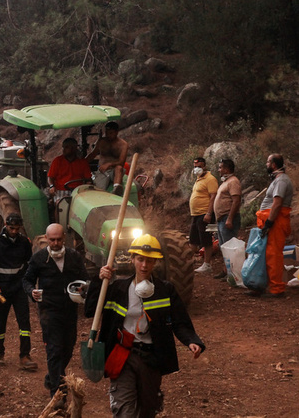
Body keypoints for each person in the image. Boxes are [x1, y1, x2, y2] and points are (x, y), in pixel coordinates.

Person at [85, 234, 205, 417]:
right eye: (140, 259)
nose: (144, 265)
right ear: (132, 259)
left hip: (151, 358)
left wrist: (191, 341)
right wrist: (98, 281)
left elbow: (180, 322)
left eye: (149, 261)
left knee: (148, 410)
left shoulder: (165, 290)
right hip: (122, 356)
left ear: (155, 262)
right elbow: (91, 309)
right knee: (125, 410)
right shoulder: (118, 289)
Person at [22, 223, 88, 403]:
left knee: (67, 348)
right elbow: (27, 280)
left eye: (59, 239)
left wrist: (83, 288)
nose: (56, 243)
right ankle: (58, 395)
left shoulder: (74, 257)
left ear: (64, 237)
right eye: (52, 240)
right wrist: (32, 292)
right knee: (54, 350)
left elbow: (84, 278)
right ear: (46, 238)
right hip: (48, 311)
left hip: (69, 310)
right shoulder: (39, 258)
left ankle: (53, 376)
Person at [0, 213, 38, 371]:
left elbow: (29, 265)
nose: (14, 231)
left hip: (18, 288)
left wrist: (27, 284)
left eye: (17, 229)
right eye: (11, 228)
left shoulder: (24, 242)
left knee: (24, 322)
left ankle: (25, 356)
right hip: (1, 288)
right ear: (5, 225)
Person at [253, 153, 294, 298]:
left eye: (267, 162)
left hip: (276, 221)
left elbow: (277, 204)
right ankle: (265, 285)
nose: (266, 165)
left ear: (274, 165)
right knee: (267, 254)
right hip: (271, 221)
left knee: (273, 255)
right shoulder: (277, 180)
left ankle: (277, 289)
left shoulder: (281, 181)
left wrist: (269, 223)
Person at [202, 158, 241, 278]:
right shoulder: (225, 182)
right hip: (221, 219)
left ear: (227, 169)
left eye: (220, 167)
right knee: (223, 247)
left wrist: (229, 219)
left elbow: (236, 201)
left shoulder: (233, 181)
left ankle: (233, 274)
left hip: (227, 218)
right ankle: (226, 271)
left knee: (230, 247)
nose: (219, 170)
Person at [85, 121, 128, 195]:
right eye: (107, 133)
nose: (108, 135)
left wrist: (109, 164)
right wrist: (81, 162)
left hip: (115, 171)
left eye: (111, 133)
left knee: (119, 168)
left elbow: (121, 162)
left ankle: (117, 188)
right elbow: (92, 155)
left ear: (116, 132)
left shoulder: (123, 144)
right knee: (99, 190)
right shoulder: (101, 141)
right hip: (102, 171)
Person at [188, 157, 218, 262]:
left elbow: (213, 196)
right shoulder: (198, 179)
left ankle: (207, 264)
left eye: (199, 167)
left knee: (207, 240)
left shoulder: (210, 179)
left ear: (204, 166)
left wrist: (209, 213)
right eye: (195, 167)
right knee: (193, 240)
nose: (196, 169)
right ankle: (188, 261)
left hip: (206, 214)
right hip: (196, 215)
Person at [47, 138, 92, 202]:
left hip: (78, 190)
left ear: (74, 148)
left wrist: (87, 187)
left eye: (67, 147)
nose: (63, 150)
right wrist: (52, 186)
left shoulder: (82, 162)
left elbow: (88, 179)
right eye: (63, 147)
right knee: (60, 204)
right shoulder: (57, 161)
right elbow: (50, 177)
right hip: (61, 190)